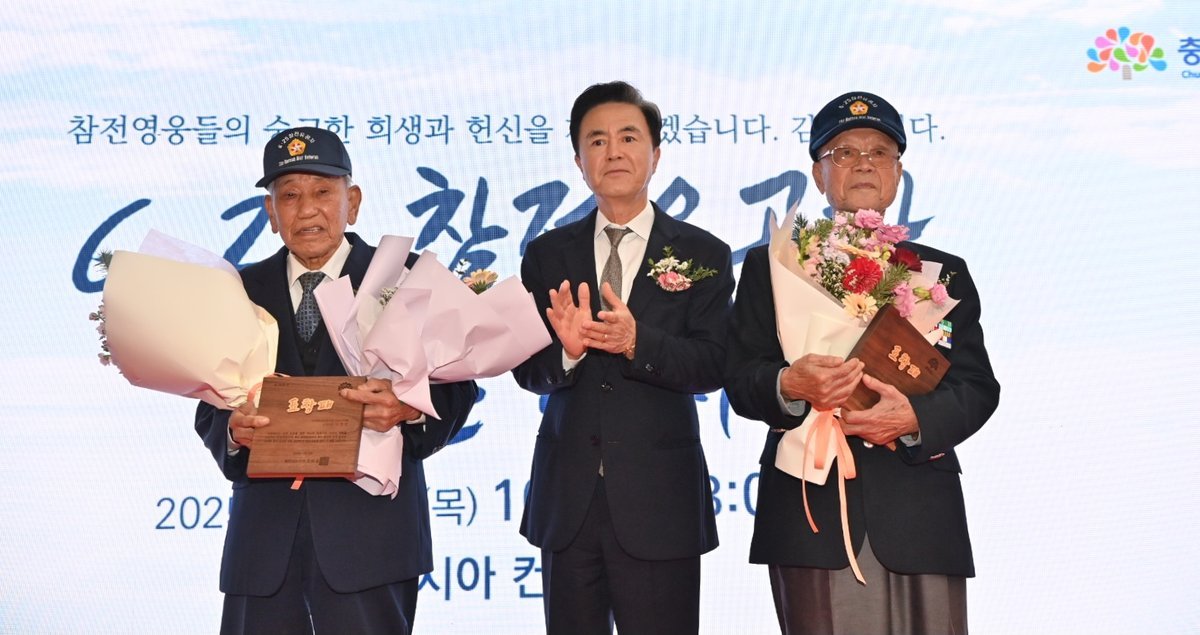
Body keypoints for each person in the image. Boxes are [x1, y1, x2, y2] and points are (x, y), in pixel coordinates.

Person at [724, 92, 1001, 634]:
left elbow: (976, 386)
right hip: (812, 509)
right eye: (845, 153)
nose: (864, 163)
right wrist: (790, 383)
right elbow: (739, 378)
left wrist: (915, 419)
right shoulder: (775, 267)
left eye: (879, 152)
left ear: (898, 173)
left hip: (920, 509)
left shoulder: (941, 274)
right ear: (819, 174)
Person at [194, 126, 478, 635]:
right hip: (264, 546)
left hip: (371, 542)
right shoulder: (237, 290)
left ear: (353, 202)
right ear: (270, 212)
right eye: (289, 196)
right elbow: (209, 404)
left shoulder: (406, 278)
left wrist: (407, 408)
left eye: (323, 192)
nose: (307, 210)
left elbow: (458, 386)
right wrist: (234, 431)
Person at [512, 81, 734, 635]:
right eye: (597, 141)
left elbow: (715, 364)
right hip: (569, 501)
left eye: (629, 137)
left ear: (655, 154)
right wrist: (566, 355)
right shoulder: (546, 254)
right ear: (579, 161)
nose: (613, 151)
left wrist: (640, 343)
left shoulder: (703, 253)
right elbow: (526, 369)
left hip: (661, 501)